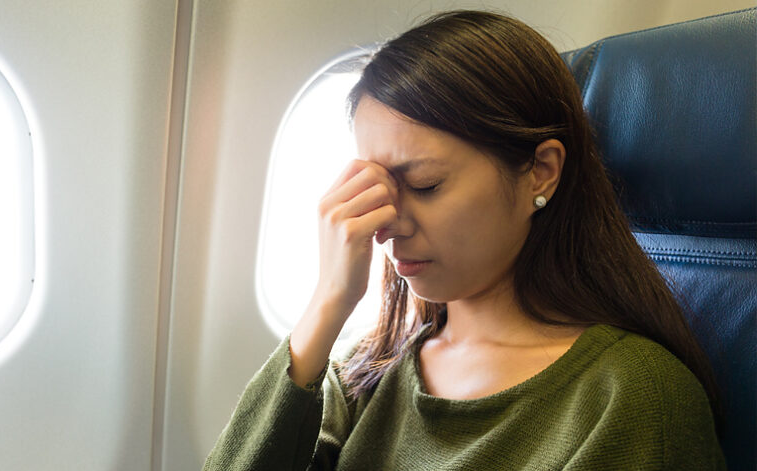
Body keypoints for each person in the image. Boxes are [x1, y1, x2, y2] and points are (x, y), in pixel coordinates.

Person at [203, 10, 725, 470]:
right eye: (376, 187)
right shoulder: (371, 366)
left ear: (540, 173)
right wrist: (327, 304)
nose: (386, 223)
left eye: (425, 185)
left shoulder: (631, 400)